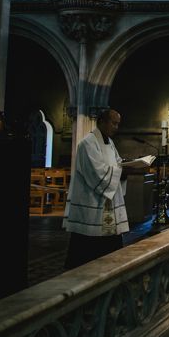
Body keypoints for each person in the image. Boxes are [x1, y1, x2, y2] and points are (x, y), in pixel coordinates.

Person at [63, 109, 132, 269]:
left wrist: (127, 166)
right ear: (101, 122)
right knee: (87, 253)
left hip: (107, 203)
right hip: (92, 204)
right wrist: (120, 171)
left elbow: (117, 163)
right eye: (113, 123)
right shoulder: (87, 143)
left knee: (109, 251)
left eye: (118, 124)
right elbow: (96, 172)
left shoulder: (109, 143)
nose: (116, 127)